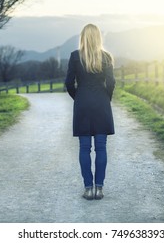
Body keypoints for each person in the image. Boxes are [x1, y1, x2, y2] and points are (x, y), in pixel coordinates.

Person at [65, 24, 115, 200]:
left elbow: (69, 84)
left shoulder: (74, 56)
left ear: (82, 37)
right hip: (101, 103)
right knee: (101, 147)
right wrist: (105, 99)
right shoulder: (106, 57)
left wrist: (78, 98)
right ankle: (99, 189)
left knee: (84, 148)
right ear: (99, 37)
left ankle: (88, 189)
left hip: (82, 104)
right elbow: (111, 83)